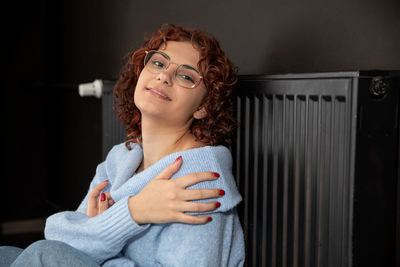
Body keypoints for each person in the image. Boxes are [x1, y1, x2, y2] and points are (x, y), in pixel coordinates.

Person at [0, 24, 245, 266]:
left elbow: (63, 249)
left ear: (203, 107)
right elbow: (60, 235)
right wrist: (134, 211)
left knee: (45, 256)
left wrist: (104, 234)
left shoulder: (200, 180)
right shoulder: (121, 160)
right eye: (158, 63)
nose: (163, 76)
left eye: (185, 76)